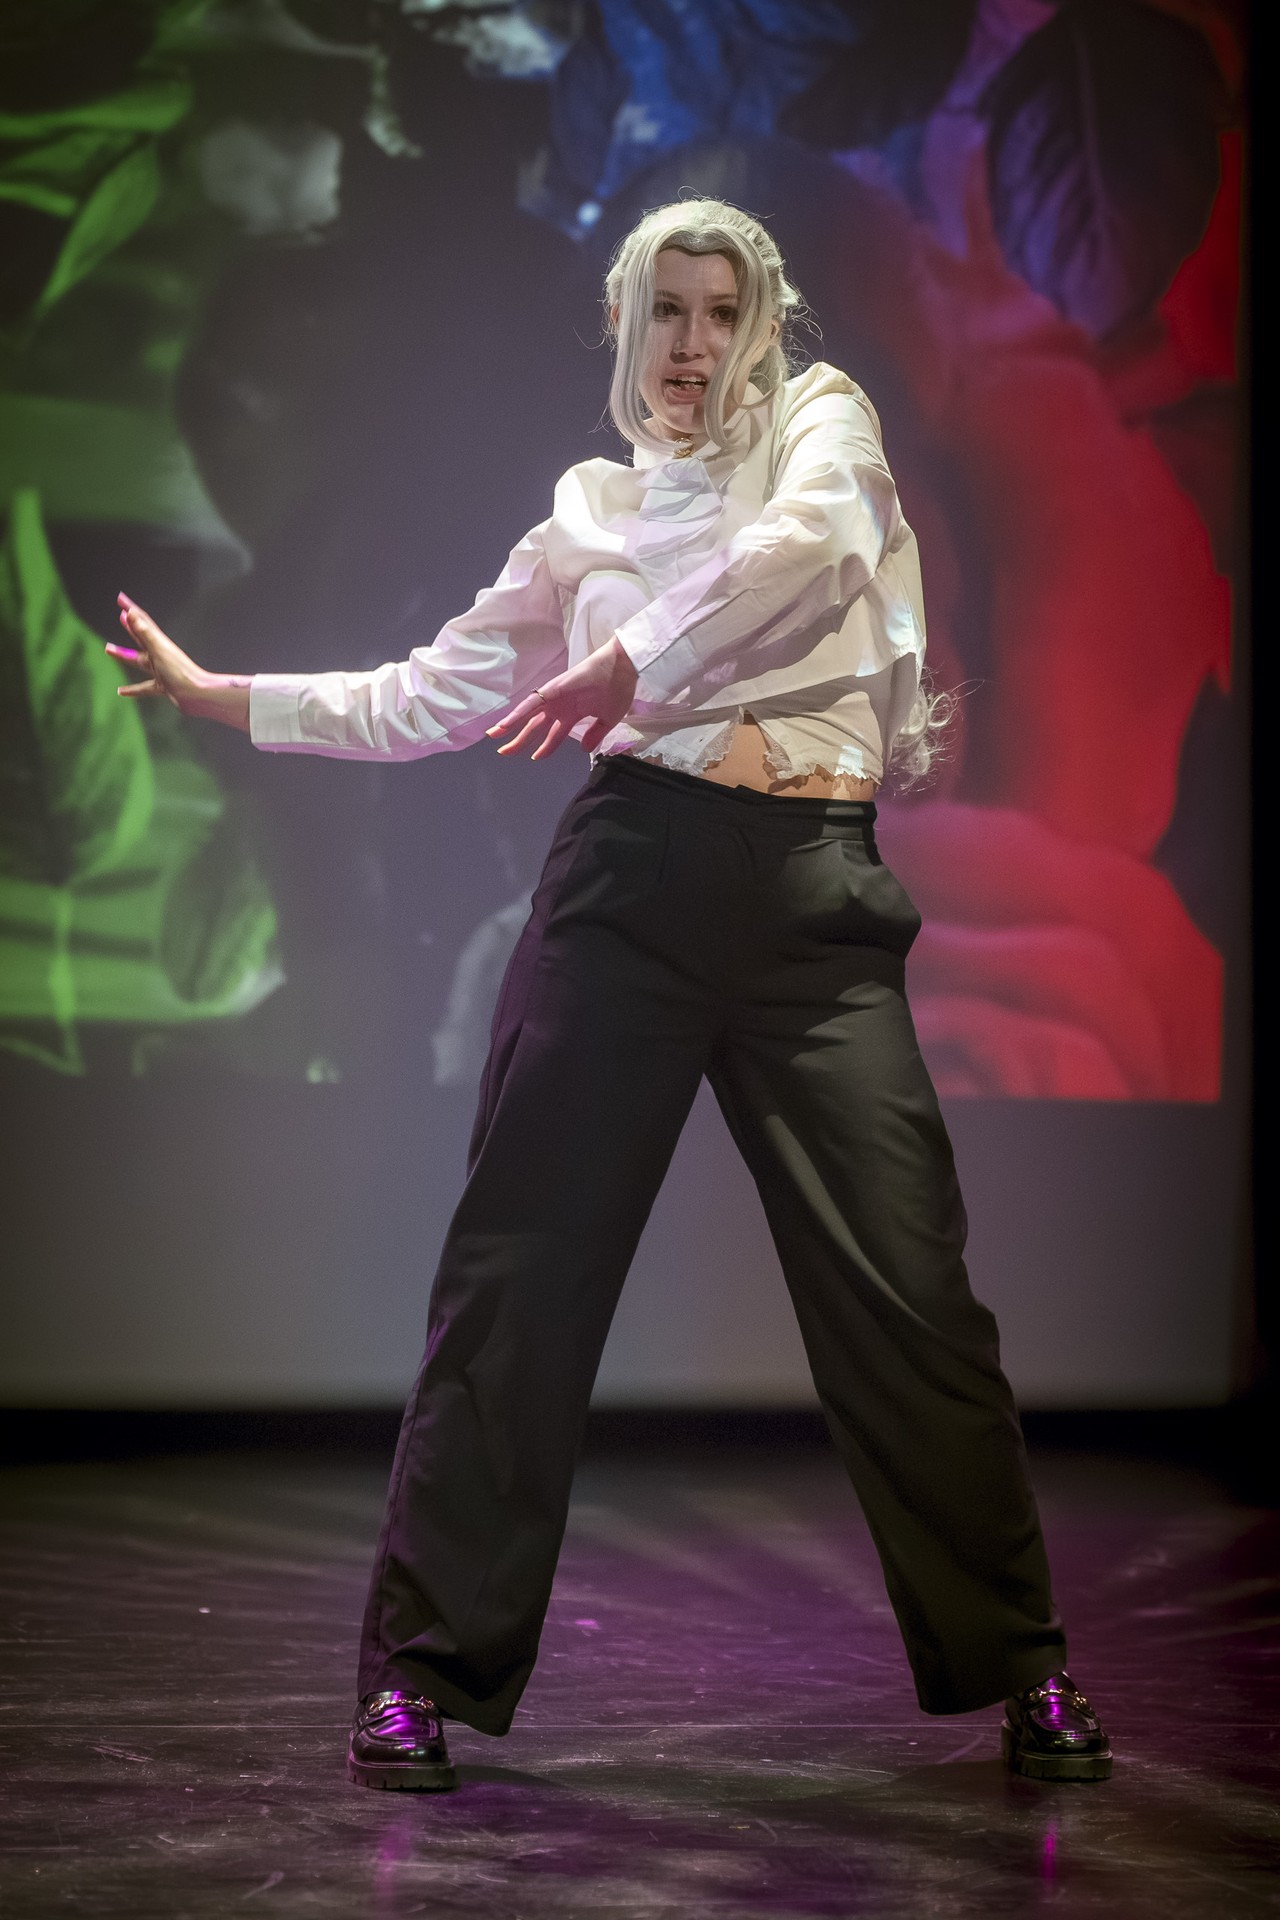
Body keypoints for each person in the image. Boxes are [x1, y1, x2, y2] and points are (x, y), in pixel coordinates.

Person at [108, 198, 1112, 1792]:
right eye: (668, 313)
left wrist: (633, 661)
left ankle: (1023, 1670)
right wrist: (228, 698)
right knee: (519, 1283)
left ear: (761, 326)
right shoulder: (585, 513)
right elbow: (430, 693)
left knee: (912, 1297)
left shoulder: (825, 425)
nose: (694, 343)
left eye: (722, 312)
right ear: (628, 330)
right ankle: (419, 1678)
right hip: (630, 889)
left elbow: (811, 551)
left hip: (813, 907)